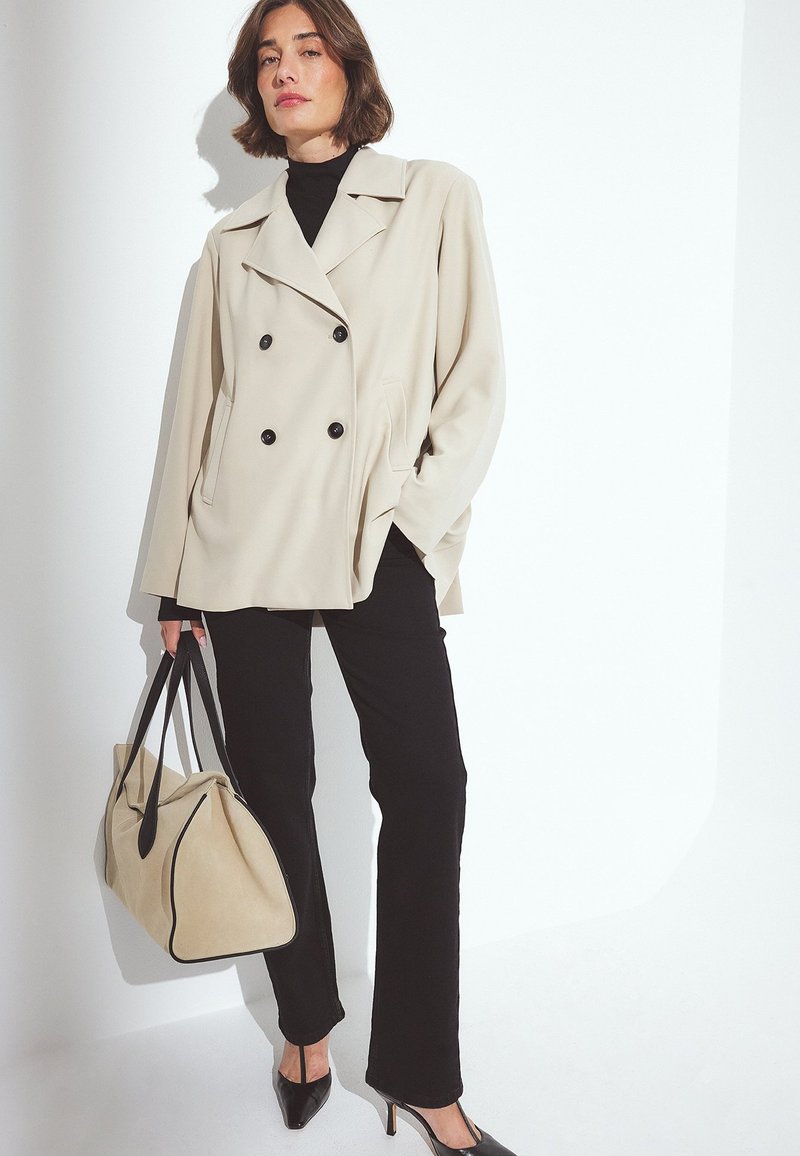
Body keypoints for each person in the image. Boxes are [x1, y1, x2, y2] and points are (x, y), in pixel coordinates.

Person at [139, 1, 512, 1151]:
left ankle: (421, 1074)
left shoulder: (430, 197)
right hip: (243, 539)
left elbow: (473, 380)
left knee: (428, 785)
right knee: (272, 789)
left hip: (370, 535)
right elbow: (194, 414)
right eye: (267, 56)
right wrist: (174, 585)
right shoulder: (231, 242)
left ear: (350, 69)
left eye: (308, 50)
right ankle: (303, 1020)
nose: (286, 71)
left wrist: (412, 525)